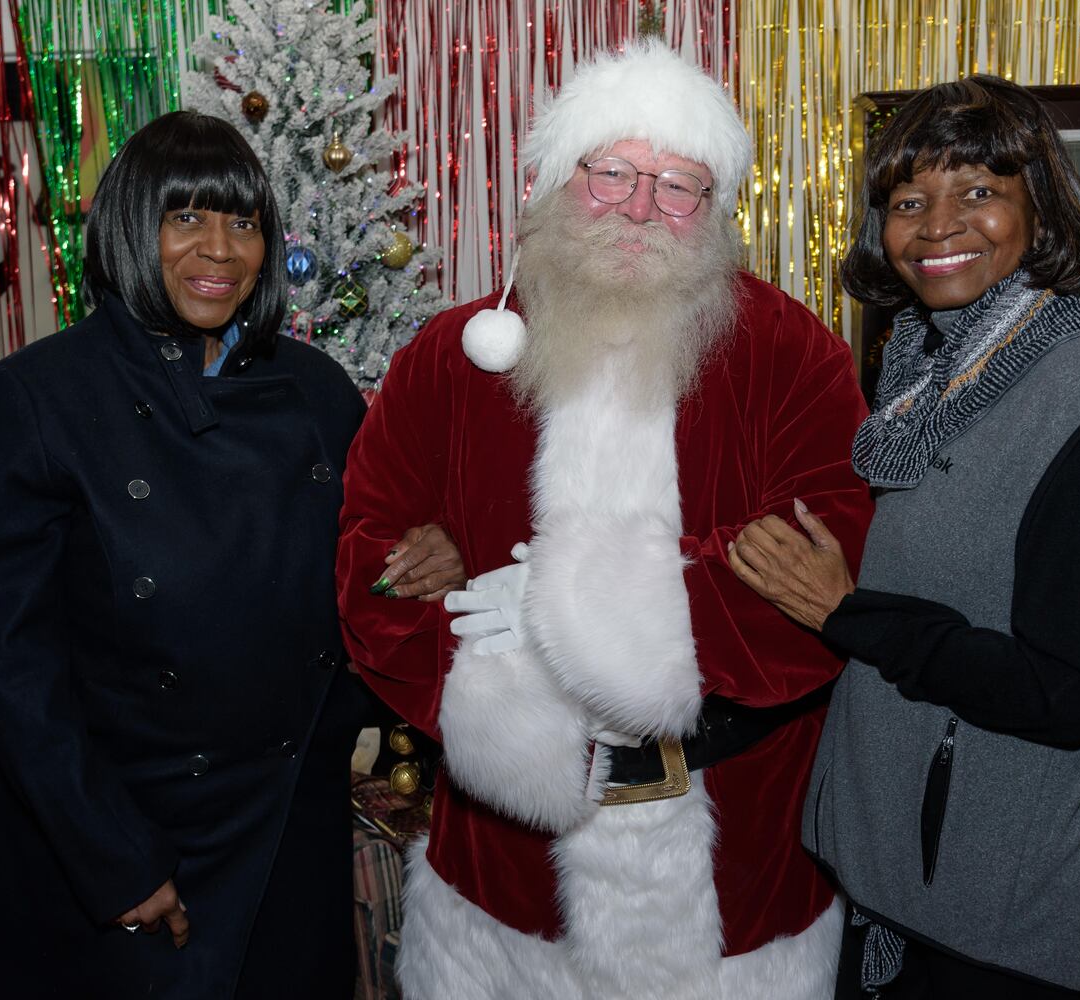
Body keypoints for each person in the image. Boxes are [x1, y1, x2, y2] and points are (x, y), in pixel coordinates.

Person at [337, 42, 873, 1000]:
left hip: (736, 864)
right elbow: (370, 564)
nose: (639, 207)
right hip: (505, 871)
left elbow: (829, 564)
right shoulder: (453, 356)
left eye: (677, 185)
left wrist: (574, 606)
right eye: (614, 173)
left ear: (714, 212)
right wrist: (484, 699)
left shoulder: (794, 356)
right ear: (557, 181)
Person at [0, 111, 462, 999]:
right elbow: (13, 667)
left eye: (243, 221)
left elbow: (345, 577)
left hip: (283, 822)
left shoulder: (314, 389)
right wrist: (113, 861)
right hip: (125, 827)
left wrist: (427, 560)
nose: (220, 249)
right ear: (128, 228)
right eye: (185, 217)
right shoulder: (38, 396)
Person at [727, 76, 1080, 998]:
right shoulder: (930, 375)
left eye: (978, 192)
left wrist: (847, 612)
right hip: (912, 886)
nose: (938, 227)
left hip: (1003, 921)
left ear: (1041, 210)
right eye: (908, 201)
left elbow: (1063, 693)